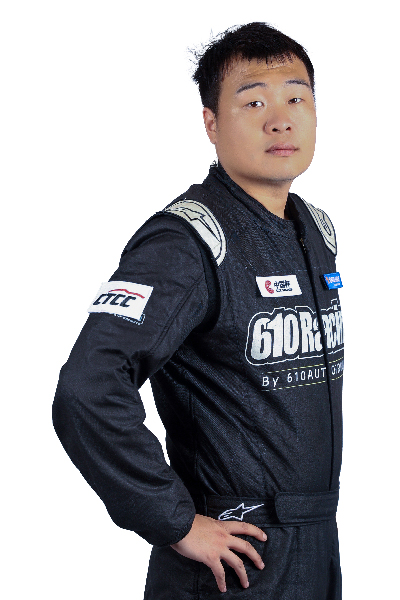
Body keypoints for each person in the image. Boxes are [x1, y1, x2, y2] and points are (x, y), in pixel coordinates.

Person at [53, 22, 344, 599]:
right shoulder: (187, 241)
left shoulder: (314, 228)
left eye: (296, 98)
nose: (280, 119)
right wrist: (176, 522)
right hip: (234, 563)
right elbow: (88, 387)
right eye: (253, 102)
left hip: (316, 545)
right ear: (210, 123)